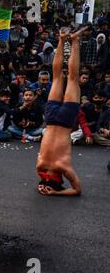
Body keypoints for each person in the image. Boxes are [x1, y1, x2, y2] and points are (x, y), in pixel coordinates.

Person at [36, 27, 87, 196]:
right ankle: (61, 39)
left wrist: (56, 193)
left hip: (64, 121)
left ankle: (75, 41)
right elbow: (42, 178)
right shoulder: (40, 165)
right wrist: (44, 185)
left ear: (60, 179)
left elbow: (77, 190)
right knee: (57, 76)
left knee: (73, 77)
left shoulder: (63, 167)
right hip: (50, 119)